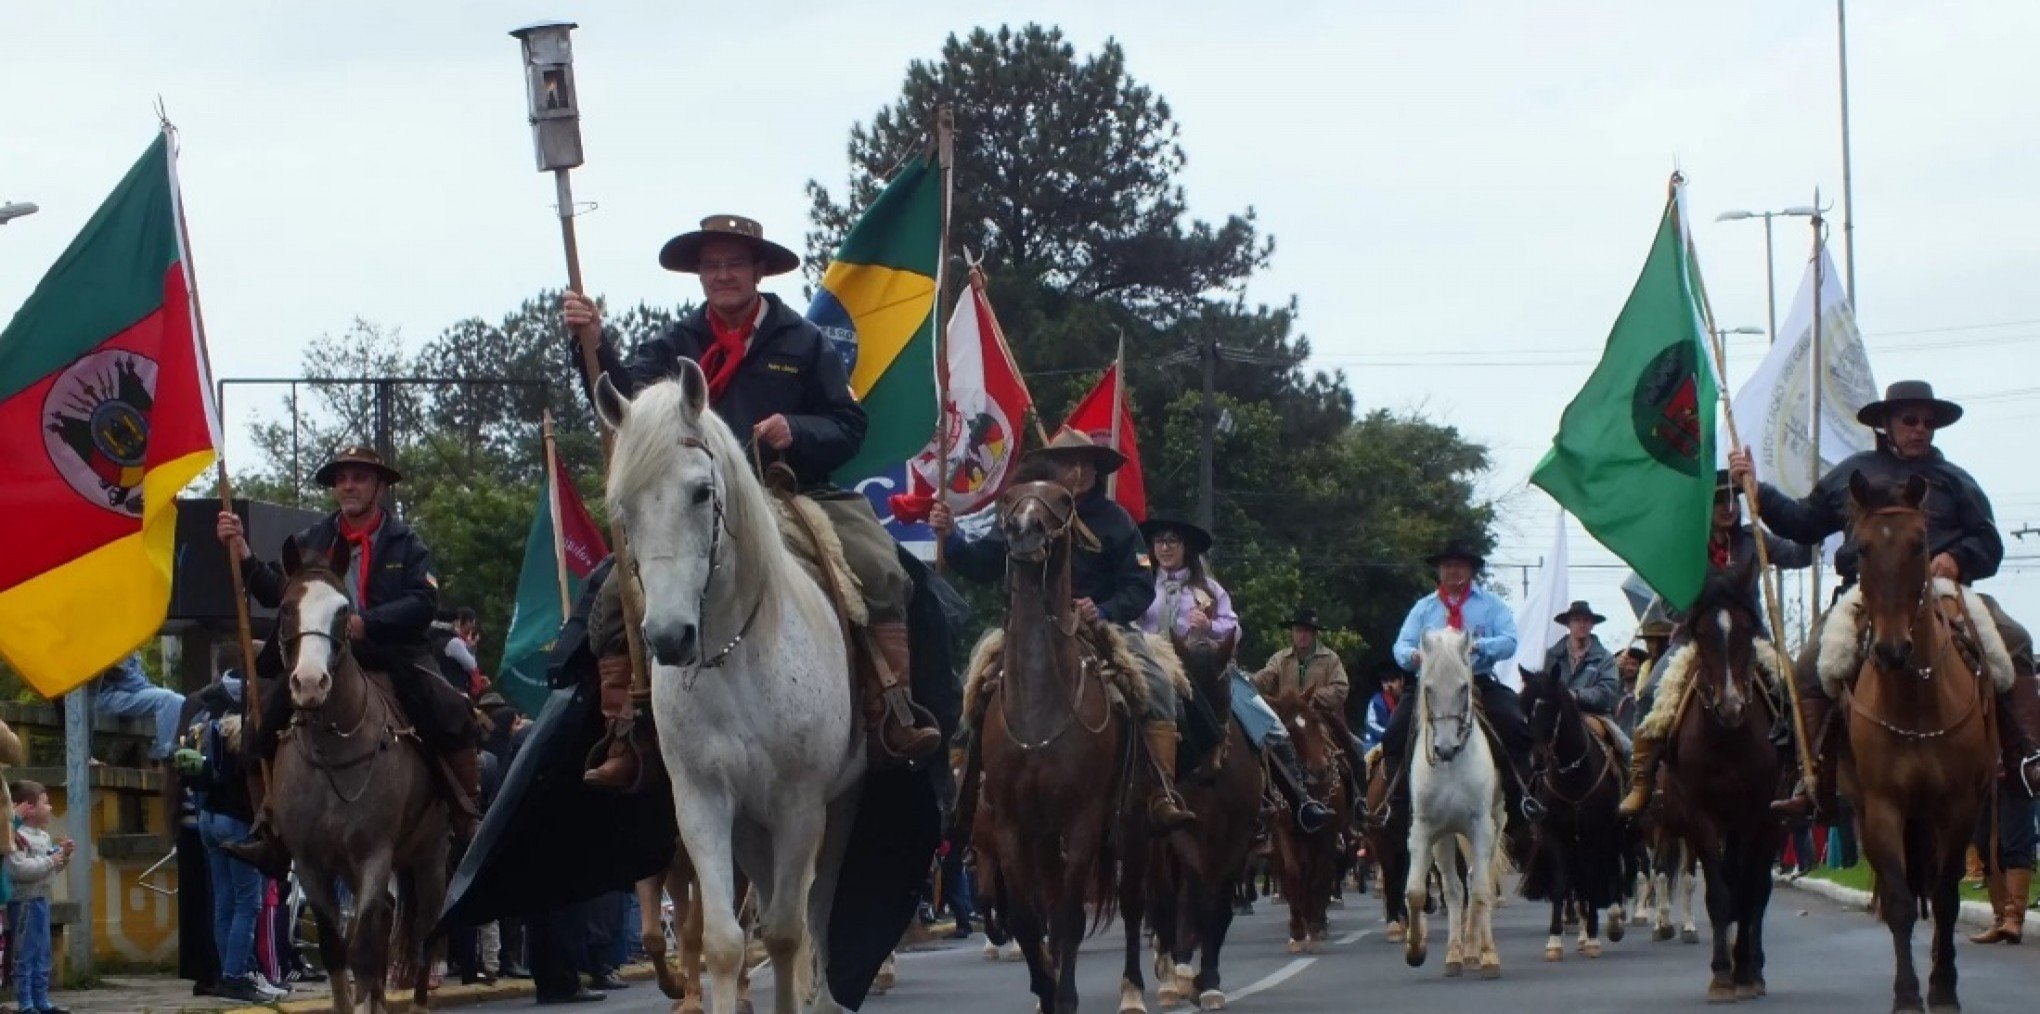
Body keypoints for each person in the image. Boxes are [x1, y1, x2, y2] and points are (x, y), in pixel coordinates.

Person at [561, 214, 941, 790]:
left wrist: (798, 428)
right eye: (711, 266)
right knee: (614, 598)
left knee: (880, 570)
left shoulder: (803, 340)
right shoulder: (675, 343)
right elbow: (625, 400)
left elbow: (849, 425)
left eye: (734, 263)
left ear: (759, 270)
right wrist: (590, 340)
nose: (722, 275)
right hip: (695, 504)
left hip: (790, 494)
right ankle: (626, 731)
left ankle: (888, 709)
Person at [1730, 380, 2040, 820]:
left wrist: (1956, 557)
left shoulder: (1956, 480)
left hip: (1943, 590)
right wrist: (1757, 491)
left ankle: (2025, 756)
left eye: (1928, 423)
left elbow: (1989, 543)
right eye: (1910, 420)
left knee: (2015, 639)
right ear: (1886, 425)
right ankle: (1812, 776)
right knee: (1809, 665)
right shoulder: (1850, 477)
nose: (1920, 429)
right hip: (1866, 593)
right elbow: (1802, 523)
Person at [214, 444, 482, 875]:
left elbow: (423, 601)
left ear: (378, 485)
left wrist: (367, 622)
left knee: (450, 708)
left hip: (388, 652)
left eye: (358, 477)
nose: (349, 485)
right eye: (342, 478)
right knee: (257, 725)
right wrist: (242, 551)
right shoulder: (311, 541)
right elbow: (277, 595)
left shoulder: (405, 542)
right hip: (323, 655)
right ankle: (268, 830)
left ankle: (466, 813)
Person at [932, 429, 1195, 832]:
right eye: (1066, 462)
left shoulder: (1116, 520)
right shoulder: (1025, 508)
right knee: (971, 687)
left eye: (1084, 462)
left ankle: (1160, 788)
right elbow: (983, 562)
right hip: (1027, 625)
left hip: (1100, 627)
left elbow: (1140, 585)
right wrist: (950, 539)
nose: (1075, 469)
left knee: (1156, 684)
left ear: (1095, 469)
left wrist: (1103, 608)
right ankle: (957, 787)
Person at [1619, 469, 1814, 816]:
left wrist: (1806, 522)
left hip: (1749, 639)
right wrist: (1702, 596)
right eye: (1718, 500)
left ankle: (1800, 772)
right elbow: (1667, 604)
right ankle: (1643, 781)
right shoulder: (1686, 548)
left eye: (1733, 499)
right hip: (1696, 638)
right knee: (1651, 691)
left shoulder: (1754, 538)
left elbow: (1800, 556)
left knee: (1791, 689)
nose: (1728, 507)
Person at [1139, 517, 1333, 833]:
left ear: (1186, 548)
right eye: (1160, 541)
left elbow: (1234, 629)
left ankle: (1300, 799)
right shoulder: (1142, 584)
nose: (1165, 547)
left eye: (1173, 541)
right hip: (1154, 665)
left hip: (1206, 668)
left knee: (1267, 723)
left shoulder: (1208, 589)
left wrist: (1209, 627)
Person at [1380, 538, 1535, 821]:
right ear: (1440, 570)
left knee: (1515, 724)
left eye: (1459, 565)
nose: (1453, 571)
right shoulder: (1424, 607)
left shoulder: (1491, 605)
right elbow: (1400, 644)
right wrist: (1412, 656)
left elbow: (1510, 640)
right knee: (1394, 733)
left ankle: (1521, 799)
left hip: (1477, 681)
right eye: (1447, 565)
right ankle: (1396, 804)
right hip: (1430, 685)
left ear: (1471, 570)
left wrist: (1480, 646)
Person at [173, 668, 278, 1004]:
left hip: (207, 819)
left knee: (223, 902)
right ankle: (236, 975)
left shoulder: (209, 727)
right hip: (237, 822)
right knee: (248, 902)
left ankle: (227, 972)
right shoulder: (252, 735)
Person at [1248, 608, 1358, 824]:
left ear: (1315, 634)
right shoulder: (1280, 658)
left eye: (1307, 631)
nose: (1302, 635)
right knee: (1257, 751)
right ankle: (1261, 809)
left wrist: (1313, 699)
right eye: (1299, 630)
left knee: (1355, 750)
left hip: (1320, 719)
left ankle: (1358, 805)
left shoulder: (1330, 659)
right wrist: (1250, 681)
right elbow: (1266, 677)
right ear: (1292, 632)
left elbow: (1341, 688)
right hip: (1287, 721)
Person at [7, 780, 73, 1014]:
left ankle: (41, 998)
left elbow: (50, 868)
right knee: (25, 953)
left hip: (42, 899)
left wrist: (62, 856)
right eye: (45, 803)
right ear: (29, 808)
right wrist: (50, 861)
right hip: (24, 901)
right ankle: (25, 1002)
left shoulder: (43, 837)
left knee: (42, 952)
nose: (51, 808)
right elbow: (19, 869)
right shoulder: (16, 836)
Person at [1540, 601, 1628, 751]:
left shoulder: (1606, 658)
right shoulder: (1551, 656)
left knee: (1626, 749)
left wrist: (1576, 696)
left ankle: (1627, 773)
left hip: (1596, 716)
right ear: (1568, 624)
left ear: (1592, 624)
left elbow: (1607, 693)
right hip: (1557, 716)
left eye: (1586, 620)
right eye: (1576, 620)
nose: (1582, 624)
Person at [92, 653, 185, 764]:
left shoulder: (130, 645)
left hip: (127, 693)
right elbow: (123, 678)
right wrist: (149, 688)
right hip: (107, 696)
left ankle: (175, 754)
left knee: (181, 700)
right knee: (167, 699)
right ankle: (164, 759)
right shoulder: (109, 642)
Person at [1362, 668, 1406, 753]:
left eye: (1392, 680)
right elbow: (1370, 724)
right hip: (1376, 742)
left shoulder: (1407, 700)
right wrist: (1389, 734)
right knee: (1370, 761)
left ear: (1401, 680)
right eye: (1385, 682)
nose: (1388, 685)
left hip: (1401, 743)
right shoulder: (1376, 701)